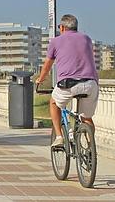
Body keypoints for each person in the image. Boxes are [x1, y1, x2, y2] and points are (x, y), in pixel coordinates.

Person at [36, 14, 99, 147]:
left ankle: (59, 136)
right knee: (86, 117)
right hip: (90, 84)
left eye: (60, 27)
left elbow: (47, 65)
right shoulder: (87, 39)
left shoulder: (55, 41)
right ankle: (90, 147)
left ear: (63, 27)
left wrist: (40, 80)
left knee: (54, 103)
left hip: (68, 84)